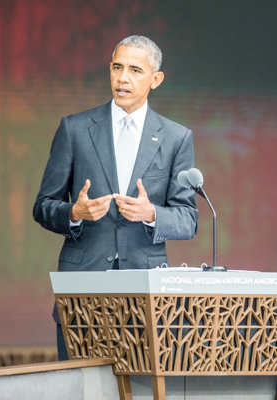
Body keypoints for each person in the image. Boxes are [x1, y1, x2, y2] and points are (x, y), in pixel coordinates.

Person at [33, 36, 198, 360]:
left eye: (135, 70)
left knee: (141, 386)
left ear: (156, 79)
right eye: (117, 67)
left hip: (146, 291)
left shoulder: (177, 137)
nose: (123, 78)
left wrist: (152, 214)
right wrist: (75, 213)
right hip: (82, 287)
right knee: (79, 386)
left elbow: (187, 219)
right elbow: (43, 206)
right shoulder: (75, 128)